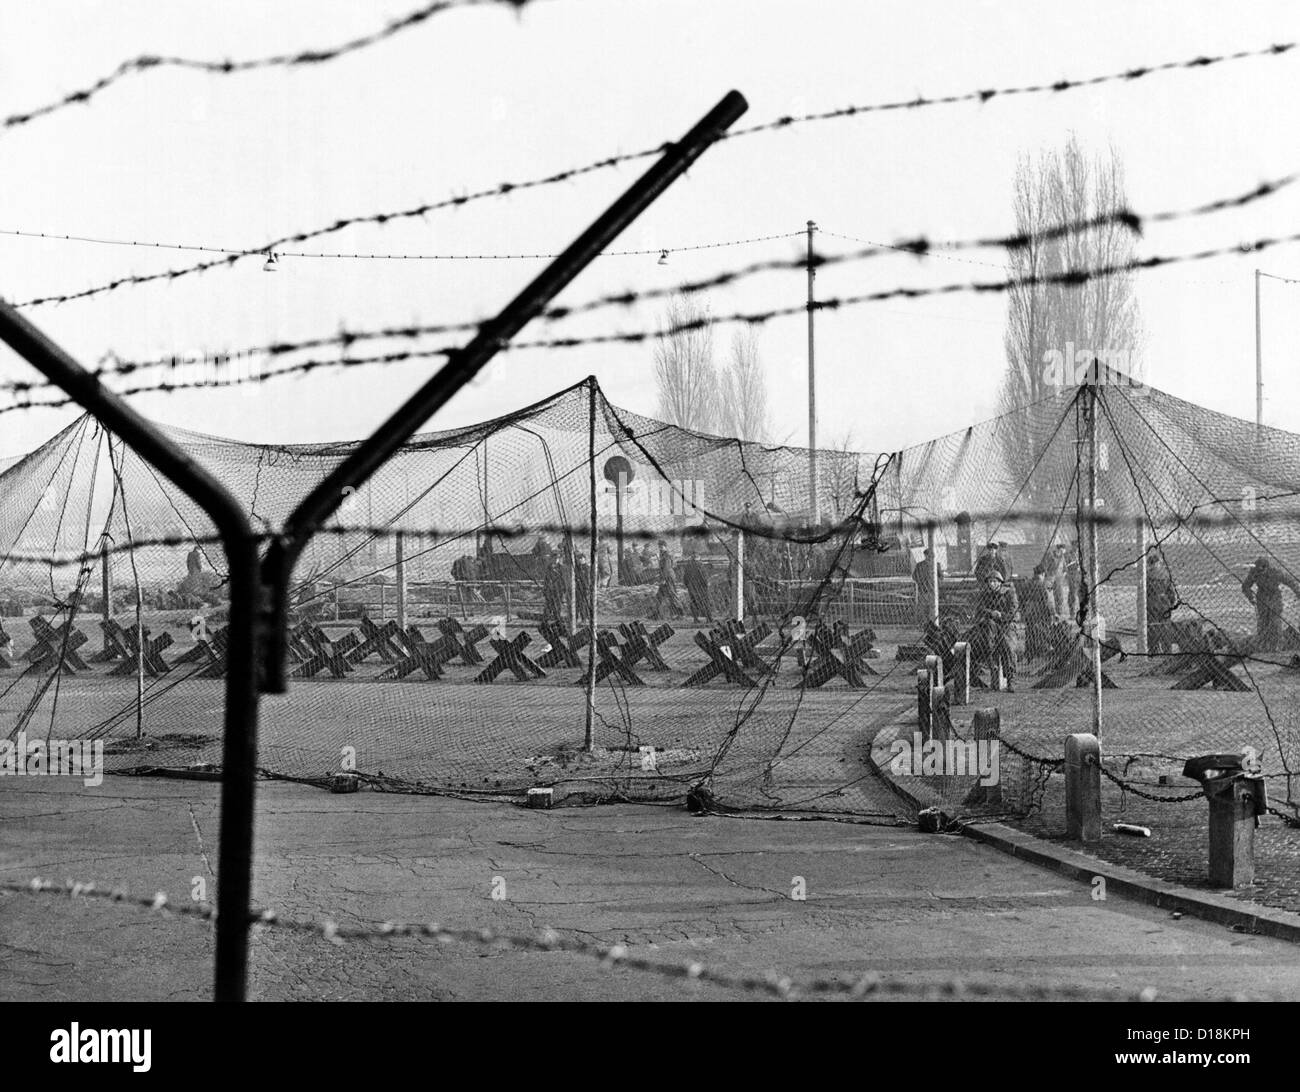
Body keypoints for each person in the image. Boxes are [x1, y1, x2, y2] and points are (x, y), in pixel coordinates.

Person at [1241, 556, 1300, 652]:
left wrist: (1298, 592)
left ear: (1267, 568)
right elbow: (1245, 586)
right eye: (1258, 570)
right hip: (1262, 598)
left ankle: (1277, 647)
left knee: (1275, 623)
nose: (1259, 573)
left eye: (1261, 570)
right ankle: (1264, 646)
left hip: (1274, 598)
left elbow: (1290, 582)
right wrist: (1250, 597)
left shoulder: (1276, 573)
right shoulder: (1254, 572)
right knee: (1263, 624)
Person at [974, 570, 1019, 691]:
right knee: (989, 646)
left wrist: (1001, 615)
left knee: (1008, 647)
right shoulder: (985, 594)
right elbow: (979, 609)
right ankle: (994, 678)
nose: (992, 584)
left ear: (1000, 582)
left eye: (994, 581)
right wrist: (991, 613)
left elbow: (1014, 612)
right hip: (991, 626)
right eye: (990, 582)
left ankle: (1011, 680)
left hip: (1007, 625)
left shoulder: (1009, 593)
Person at [1021, 564, 1055, 661]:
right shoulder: (1045, 584)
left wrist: (1024, 611)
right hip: (1042, 614)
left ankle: (1029, 656)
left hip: (1029, 613)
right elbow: (1049, 602)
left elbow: (1022, 599)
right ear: (1043, 574)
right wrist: (1053, 614)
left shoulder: (1028, 584)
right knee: (1043, 634)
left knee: (1030, 634)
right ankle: (1041, 655)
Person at [1145, 551, 1176, 653]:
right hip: (1164, 604)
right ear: (1158, 563)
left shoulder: (1146, 576)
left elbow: (1144, 593)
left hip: (1151, 604)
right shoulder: (1165, 575)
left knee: (1152, 628)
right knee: (1165, 628)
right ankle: (1167, 650)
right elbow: (1171, 593)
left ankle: (1153, 650)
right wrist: (1171, 603)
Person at [911, 547, 943, 626]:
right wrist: (922, 582)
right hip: (926, 590)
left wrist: (933, 583)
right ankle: (927, 624)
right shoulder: (921, 565)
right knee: (926, 609)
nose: (928, 557)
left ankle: (929, 624)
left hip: (929, 590)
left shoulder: (935, 564)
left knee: (928, 608)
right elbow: (914, 576)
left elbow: (941, 577)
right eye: (927, 555)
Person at [652, 539, 683, 619]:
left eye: (661, 546)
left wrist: (664, 579)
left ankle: (680, 614)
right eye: (659, 546)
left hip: (668, 578)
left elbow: (667, 568)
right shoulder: (662, 554)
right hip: (665, 577)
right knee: (659, 596)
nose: (660, 548)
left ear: (665, 547)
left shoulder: (667, 555)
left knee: (672, 595)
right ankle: (655, 614)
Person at [682, 549, 713, 623]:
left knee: (694, 603)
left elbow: (685, 577)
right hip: (700, 587)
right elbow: (703, 577)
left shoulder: (688, 565)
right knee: (705, 602)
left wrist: (687, 585)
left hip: (692, 588)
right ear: (698, 557)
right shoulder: (700, 565)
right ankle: (709, 619)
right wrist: (706, 584)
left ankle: (695, 619)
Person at [541, 555, 567, 625]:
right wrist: (545, 590)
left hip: (558, 590)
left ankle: (557, 620)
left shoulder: (561, 568)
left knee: (557, 606)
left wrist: (564, 589)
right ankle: (545, 620)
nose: (556, 560)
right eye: (555, 558)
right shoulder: (548, 568)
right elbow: (546, 580)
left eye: (558, 559)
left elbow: (563, 579)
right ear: (552, 559)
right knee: (548, 606)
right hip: (549, 590)